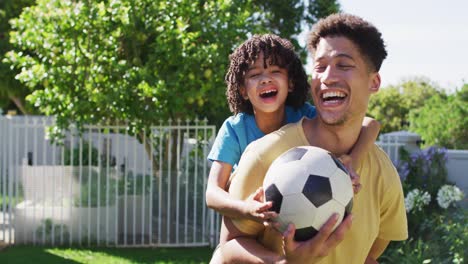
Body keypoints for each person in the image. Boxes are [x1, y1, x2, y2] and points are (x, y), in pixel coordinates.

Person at [214, 13, 408, 264]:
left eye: (344, 65)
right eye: (320, 66)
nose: (327, 77)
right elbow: (226, 251)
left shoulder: (383, 172)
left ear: (374, 82)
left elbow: (369, 255)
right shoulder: (264, 155)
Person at [205, 34, 380, 224]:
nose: (265, 80)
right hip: (247, 221)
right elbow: (212, 193)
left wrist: (353, 160)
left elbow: (370, 124)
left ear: (290, 83)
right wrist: (246, 209)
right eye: (255, 75)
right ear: (242, 90)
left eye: (275, 71)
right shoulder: (235, 129)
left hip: (300, 218)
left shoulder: (306, 117)